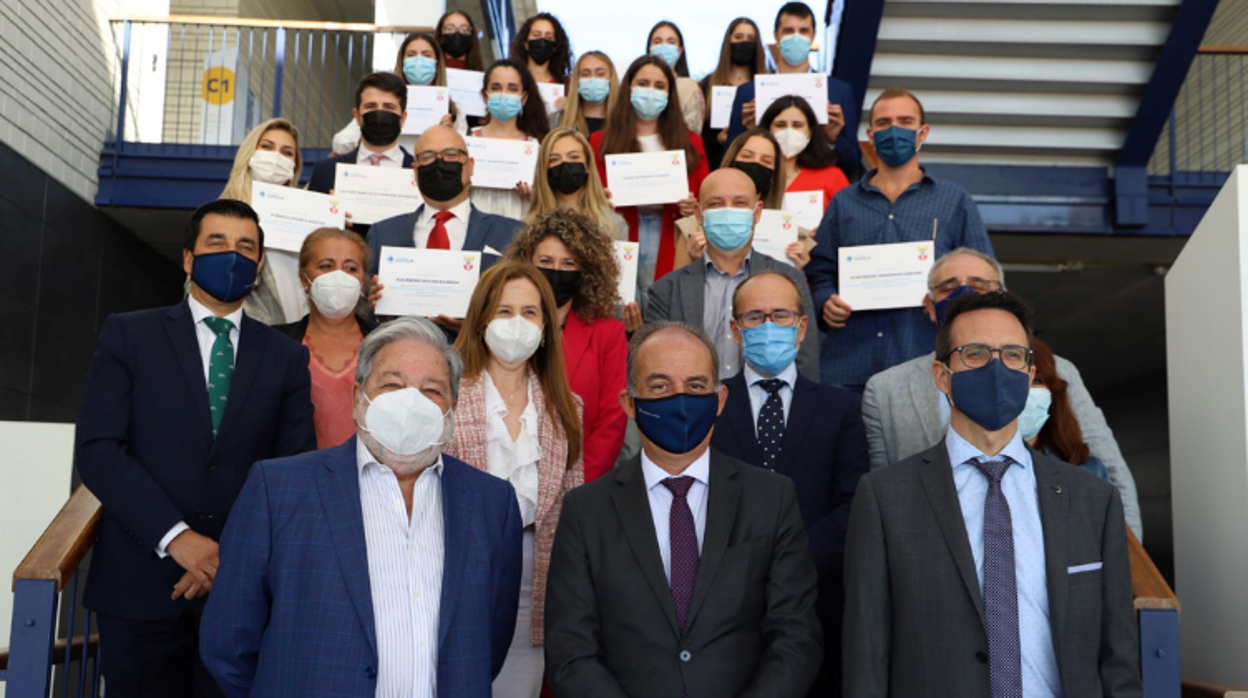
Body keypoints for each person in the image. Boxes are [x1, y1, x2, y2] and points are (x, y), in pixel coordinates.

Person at [200, 317, 524, 697]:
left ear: (452, 408)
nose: (411, 401)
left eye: (431, 390)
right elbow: (229, 642)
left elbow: (489, 643)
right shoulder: (278, 489)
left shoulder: (492, 504)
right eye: (392, 384)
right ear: (358, 397)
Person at [842, 290, 1142, 697]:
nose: (997, 367)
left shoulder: (1092, 498)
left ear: (1030, 373)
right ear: (942, 375)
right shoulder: (885, 497)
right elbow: (867, 651)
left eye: (1013, 354)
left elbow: (1118, 655)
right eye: (976, 353)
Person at [76, 199, 316, 697]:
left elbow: (293, 470)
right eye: (217, 244)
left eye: (245, 247)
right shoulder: (129, 334)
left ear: (260, 264)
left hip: (241, 591)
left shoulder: (288, 358)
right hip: (141, 585)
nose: (232, 255)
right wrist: (179, 540)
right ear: (188, 258)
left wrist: (226, 558)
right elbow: (100, 450)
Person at [544, 321, 823, 696]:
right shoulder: (585, 510)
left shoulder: (771, 498)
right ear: (629, 402)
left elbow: (795, 636)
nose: (680, 399)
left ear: (720, 399)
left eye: (695, 386)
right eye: (660, 386)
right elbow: (570, 650)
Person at [860, 247, 1144, 539]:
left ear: (1003, 294)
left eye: (979, 284)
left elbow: (1109, 468)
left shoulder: (1056, 370)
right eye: (948, 286)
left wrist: (1129, 566)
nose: (964, 292)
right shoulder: (885, 389)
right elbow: (882, 493)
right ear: (929, 305)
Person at [710, 271, 869, 698]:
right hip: (720, 608)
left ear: (801, 327)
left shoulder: (843, 408)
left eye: (780, 315)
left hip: (816, 604)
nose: (768, 326)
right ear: (735, 329)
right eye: (755, 316)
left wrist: (792, 561)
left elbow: (853, 504)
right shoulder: (709, 405)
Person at [442, 262, 583, 697]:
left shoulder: (567, 407)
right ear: (482, 317)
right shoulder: (446, 395)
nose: (516, 324)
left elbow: (572, 507)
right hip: (453, 578)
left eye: (529, 312)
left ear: (546, 325)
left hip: (534, 587)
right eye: (504, 312)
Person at [806, 88, 993, 391]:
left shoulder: (954, 200)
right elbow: (819, 272)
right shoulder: (843, 202)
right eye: (883, 123)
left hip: (926, 364)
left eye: (905, 121)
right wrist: (825, 301)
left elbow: (986, 281)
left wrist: (950, 300)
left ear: (923, 132)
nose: (894, 130)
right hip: (848, 366)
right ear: (870, 134)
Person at [648, 168, 819, 382]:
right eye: (716, 204)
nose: (728, 212)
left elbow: (806, 362)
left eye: (739, 203)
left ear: (757, 213)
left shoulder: (791, 280)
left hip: (768, 410)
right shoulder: (666, 290)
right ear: (699, 214)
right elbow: (655, 369)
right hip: (697, 412)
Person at [504, 210, 627, 481]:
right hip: (506, 473)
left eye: (568, 264)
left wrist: (577, 485)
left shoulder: (609, 332)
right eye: (546, 261)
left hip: (580, 481)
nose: (556, 271)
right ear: (526, 263)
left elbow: (612, 422)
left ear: (586, 271)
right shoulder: (502, 324)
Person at [367, 125, 522, 335]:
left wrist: (478, 326)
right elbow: (365, 315)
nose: (439, 163)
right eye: (428, 157)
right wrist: (377, 311)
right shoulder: (382, 233)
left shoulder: (512, 233)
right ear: (415, 170)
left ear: (471, 165)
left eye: (451, 154)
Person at [591, 55, 708, 312]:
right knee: (621, 309)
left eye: (659, 86)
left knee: (665, 308)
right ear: (628, 89)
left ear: (669, 93)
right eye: (643, 83)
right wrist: (599, 198)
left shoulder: (691, 143)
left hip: (671, 235)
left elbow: (706, 198)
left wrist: (693, 205)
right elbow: (589, 197)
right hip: (621, 231)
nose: (650, 92)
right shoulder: (600, 141)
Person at [726, 2, 861, 182]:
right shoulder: (748, 93)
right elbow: (728, 159)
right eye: (789, 30)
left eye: (804, 31)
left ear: (813, 35)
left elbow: (853, 164)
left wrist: (834, 138)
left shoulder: (838, 91)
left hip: (816, 188)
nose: (796, 37)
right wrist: (750, 133)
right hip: (764, 187)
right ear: (777, 35)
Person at [274, 228, 377, 449]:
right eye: (325, 266)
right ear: (304, 278)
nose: (338, 276)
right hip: (299, 474)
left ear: (363, 281)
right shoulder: (275, 344)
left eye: (350, 268)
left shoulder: (385, 345)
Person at [675, 128, 812, 270]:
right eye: (747, 156)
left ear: (774, 175)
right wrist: (697, 263)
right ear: (732, 161)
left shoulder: (788, 233)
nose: (755, 164)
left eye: (766, 161)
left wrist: (797, 267)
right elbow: (677, 288)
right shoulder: (693, 227)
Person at [218, 118, 305, 326]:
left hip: (303, 334)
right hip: (252, 334)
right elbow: (196, 286)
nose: (276, 157)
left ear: (294, 166)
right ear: (250, 154)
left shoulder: (307, 214)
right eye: (267, 147)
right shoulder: (220, 215)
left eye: (287, 152)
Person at [310, 72, 414, 242]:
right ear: (357, 116)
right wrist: (327, 217)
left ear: (403, 118)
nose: (380, 114)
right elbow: (310, 236)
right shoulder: (326, 171)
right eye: (371, 106)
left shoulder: (420, 172)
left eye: (389, 107)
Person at [329, 34, 467, 156]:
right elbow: (341, 142)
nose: (419, 61)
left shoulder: (453, 112)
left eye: (426, 55)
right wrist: (366, 135)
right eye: (411, 55)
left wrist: (448, 133)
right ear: (402, 61)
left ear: (437, 64)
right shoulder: (383, 101)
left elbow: (463, 152)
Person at [469, 59, 551, 220]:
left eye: (513, 89)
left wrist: (533, 195)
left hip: (519, 226)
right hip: (473, 228)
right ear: (485, 95)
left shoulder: (535, 148)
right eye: (496, 88)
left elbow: (546, 201)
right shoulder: (467, 139)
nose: (504, 94)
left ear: (524, 98)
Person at [699, 18, 768, 170]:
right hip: (717, 165)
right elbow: (698, 135)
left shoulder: (767, 85)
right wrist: (718, 140)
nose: (744, 43)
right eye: (738, 37)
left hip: (757, 165)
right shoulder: (706, 84)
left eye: (750, 39)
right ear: (728, 42)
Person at [760, 95, 848, 212]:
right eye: (780, 125)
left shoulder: (833, 176)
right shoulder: (753, 175)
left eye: (797, 125)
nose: (789, 131)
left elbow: (850, 222)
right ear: (767, 130)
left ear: (810, 132)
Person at [646, 21, 706, 133]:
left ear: (679, 51)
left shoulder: (689, 87)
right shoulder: (637, 86)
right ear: (649, 48)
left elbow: (693, 132)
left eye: (671, 42)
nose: (664, 46)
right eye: (657, 42)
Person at [555, 51, 618, 136]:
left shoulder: (625, 121)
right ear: (577, 79)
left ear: (611, 78)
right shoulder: (557, 119)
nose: (593, 79)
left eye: (600, 74)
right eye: (585, 74)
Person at [510, 12, 573, 87]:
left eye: (549, 37)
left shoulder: (567, 85)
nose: (542, 40)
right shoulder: (511, 80)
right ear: (526, 44)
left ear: (555, 47)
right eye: (536, 35)